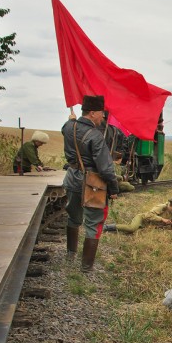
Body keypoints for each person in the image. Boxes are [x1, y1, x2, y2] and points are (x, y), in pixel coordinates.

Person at [61, 95, 119, 271]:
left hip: (71, 178)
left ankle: (70, 254)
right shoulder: (95, 135)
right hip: (91, 183)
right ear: (92, 113)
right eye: (101, 113)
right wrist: (114, 188)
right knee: (93, 223)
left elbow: (65, 129)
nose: (102, 117)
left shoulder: (68, 126)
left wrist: (72, 120)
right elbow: (106, 168)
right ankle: (86, 267)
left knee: (73, 217)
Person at [104, 197, 172, 233]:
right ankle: (107, 227)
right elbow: (148, 215)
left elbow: (171, 226)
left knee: (132, 232)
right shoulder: (162, 207)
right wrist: (162, 219)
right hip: (141, 218)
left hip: (147, 226)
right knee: (131, 229)